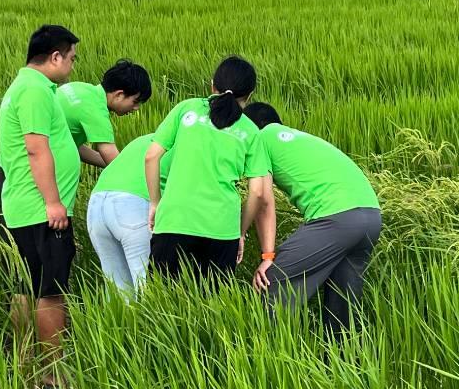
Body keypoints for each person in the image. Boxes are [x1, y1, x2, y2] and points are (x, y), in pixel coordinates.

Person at [243, 102, 382, 339]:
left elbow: (263, 199)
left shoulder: (260, 138)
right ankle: (343, 364)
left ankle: (266, 355)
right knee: (343, 304)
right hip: (371, 217)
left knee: (272, 281)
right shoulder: (303, 139)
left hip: (338, 219)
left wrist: (261, 251)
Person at [0, 25, 81, 388]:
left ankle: (24, 363)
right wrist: (53, 203)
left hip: (21, 207)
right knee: (50, 290)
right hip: (39, 210)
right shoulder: (34, 91)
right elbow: (35, 148)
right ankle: (52, 375)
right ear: (55, 57)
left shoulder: (22, 87)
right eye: (72, 59)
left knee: (23, 288)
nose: (73, 67)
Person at [145, 56, 272, 281]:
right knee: (212, 306)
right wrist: (240, 232)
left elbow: (151, 156)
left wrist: (155, 203)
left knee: (163, 303)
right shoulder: (250, 130)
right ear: (249, 95)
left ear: (212, 84)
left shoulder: (187, 109)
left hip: (175, 219)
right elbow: (258, 192)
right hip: (222, 229)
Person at [86, 134, 173, 294]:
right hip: (135, 204)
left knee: (118, 292)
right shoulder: (188, 143)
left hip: (97, 204)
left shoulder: (146, 139)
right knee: (148, 289)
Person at [57, 60, 152, 168]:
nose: (136, 108)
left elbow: (73, 145)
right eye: (135, 102)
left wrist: (108, 163)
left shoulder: (80, 87)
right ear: (119, 95)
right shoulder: (96, 113)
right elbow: (118, 167)